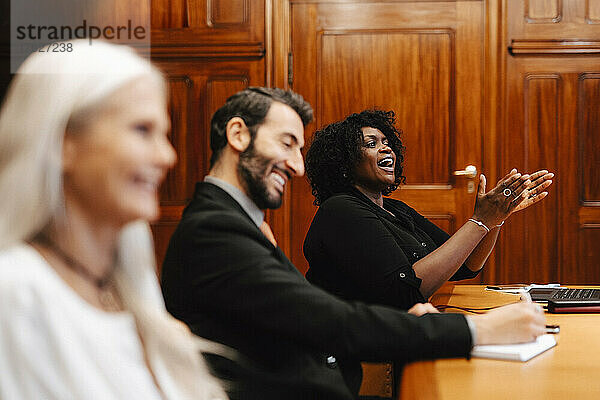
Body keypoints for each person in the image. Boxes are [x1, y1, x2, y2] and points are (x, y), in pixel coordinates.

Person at [160, 87, 546, 400]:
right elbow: (330, 318)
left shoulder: (232, 220)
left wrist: (489, 220)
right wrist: (476, 331)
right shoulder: (215, 230)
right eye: (287, 143)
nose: (296, 166)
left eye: (299, 149)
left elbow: (308, 317)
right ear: (239, 135)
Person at [0, 41, 227, 399]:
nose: (167, 155)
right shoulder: (15, 294)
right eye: (141, 130)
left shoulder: (131, 289)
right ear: (63, 143)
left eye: (164, 134)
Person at [303, 109, 554, 310]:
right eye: (371, 144)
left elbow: (467, 265)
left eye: (387, 142)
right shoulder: (341, 210)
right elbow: (405, 293)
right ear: (344, 164)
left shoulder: (395, 209)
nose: (386, 148)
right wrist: (480, 220)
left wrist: (496, 218)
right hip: (354, 353)